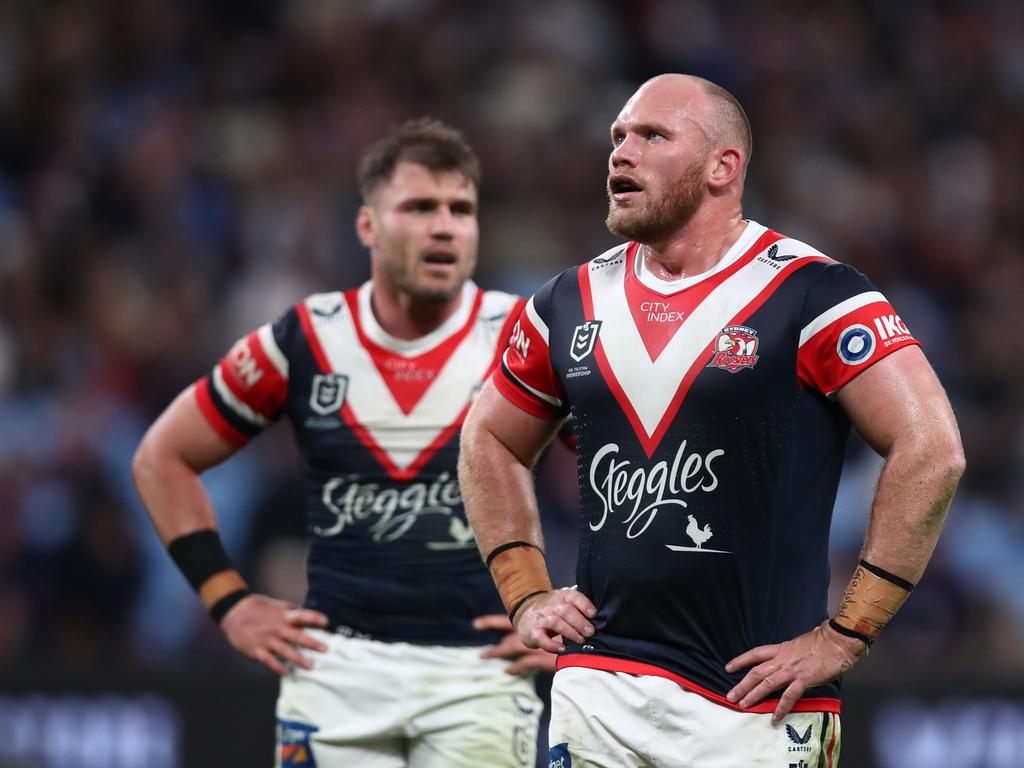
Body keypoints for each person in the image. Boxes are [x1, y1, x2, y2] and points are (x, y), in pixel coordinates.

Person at [458, 74, 965, 767]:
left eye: (651, 136)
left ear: (723, 167)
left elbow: (932, 448)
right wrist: (526, 595)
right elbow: (488, 438)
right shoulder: (566, 302)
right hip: (602, 684)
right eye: (617, 137)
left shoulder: (811, 293)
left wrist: (847, 635)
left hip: (758, 702)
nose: (620, 153)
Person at [132, 118, 555, 768]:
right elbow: (162, 457)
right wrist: (230, 602)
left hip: (481, 675)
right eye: (419, 207)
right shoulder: (304, 340)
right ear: (367, 226)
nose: (445, 226)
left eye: (461, 210)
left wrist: (572, 611)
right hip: (335, 672)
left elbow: (629, 472)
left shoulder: (523, 338)